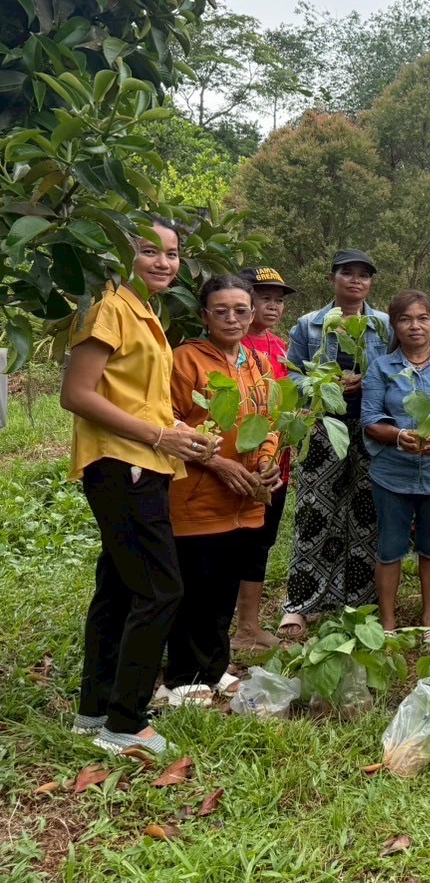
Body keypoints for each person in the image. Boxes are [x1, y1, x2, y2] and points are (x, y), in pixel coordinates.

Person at [60, 218, 220, 756]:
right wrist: (157, 435)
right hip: (120, 464)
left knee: (120, 586)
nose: (164, 262)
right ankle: (125, 722)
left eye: (172, 254)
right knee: (160, 590)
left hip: (144, 462)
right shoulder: (107, 305)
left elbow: (138, 399)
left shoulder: (144, 312)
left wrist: (181, 434)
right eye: (150, 251)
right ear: (122, 252)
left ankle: (95, 709)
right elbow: (77, 394)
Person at [162, 274, 281, 705]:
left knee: (225, 588)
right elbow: (167, 421)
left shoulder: (259, 364)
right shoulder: (185, 360)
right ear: (205, 316)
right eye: (221, 311)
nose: (232, 319)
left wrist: (266, 459)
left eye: (240, 310)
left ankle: (214, 666)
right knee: (195, 587)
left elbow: (269, 422)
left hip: (244, 497)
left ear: (251, 314)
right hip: (197, 495)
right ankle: (183, 676)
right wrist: (216, 462)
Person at [278, 249, 389, 640]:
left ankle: (358, 600)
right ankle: (302, 602)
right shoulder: (308, 324)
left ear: (370, 284)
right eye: (347, 273)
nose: (355, 280)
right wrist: (323, 384)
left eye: (364, 275)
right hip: (323, 426)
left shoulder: (384, 325)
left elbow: (398, 369)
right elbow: (291, 375)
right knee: (315, 510)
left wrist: (369, 383)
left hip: (372, 428)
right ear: (332, 279)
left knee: (366, 511)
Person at [361, 290, 430, 645]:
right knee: (390, 546)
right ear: (395, 326)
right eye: (406, 319)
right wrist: (398, 435)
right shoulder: (381, 368)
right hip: (392, 472)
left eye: (423, 318)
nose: (415, 326)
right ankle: (388, 622)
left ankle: (429, 619)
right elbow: (369, 418)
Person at [233, 266, 295, 651]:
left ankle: (248, 627)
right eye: (264, 298)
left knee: (260, 543)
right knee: (228, 544)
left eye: (278, 300)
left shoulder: (280, 347)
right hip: (237, 465)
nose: (272, 306)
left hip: (275, 465)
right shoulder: (231, 347)